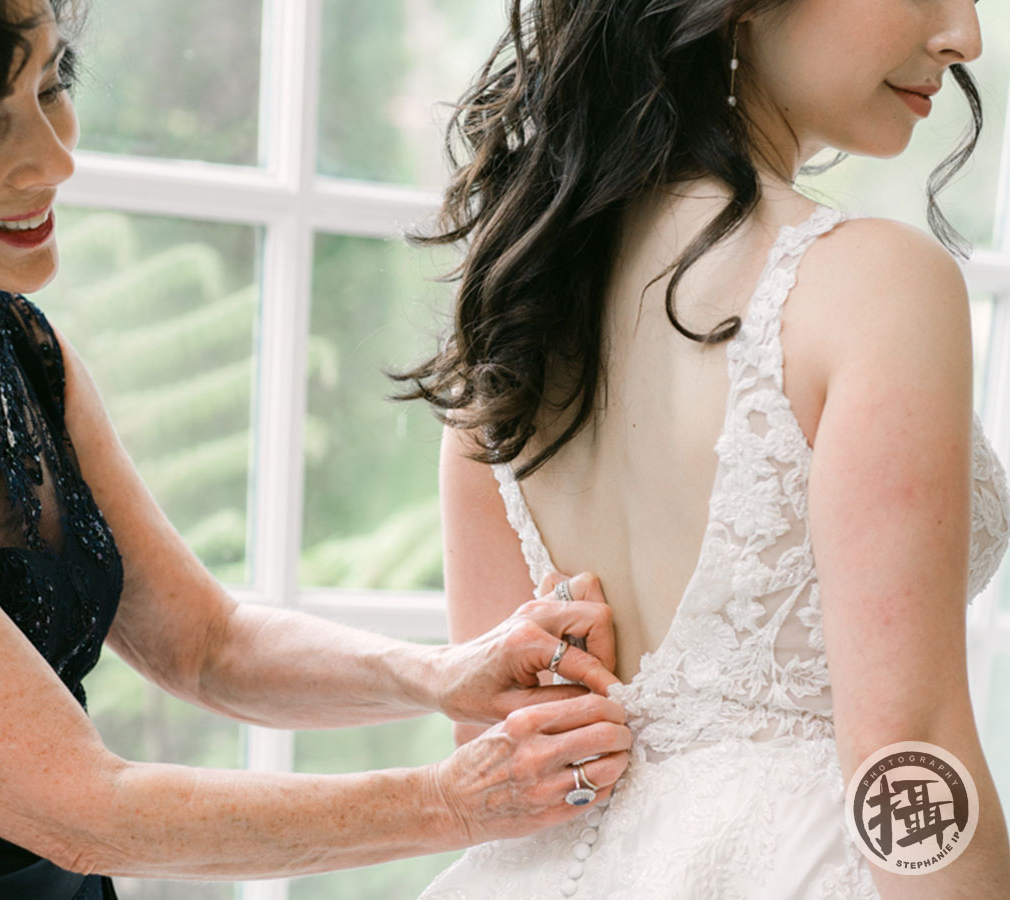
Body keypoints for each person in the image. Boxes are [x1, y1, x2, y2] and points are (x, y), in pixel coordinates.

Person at [0, 0, 639, 897]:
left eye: (50, 87)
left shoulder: (10, 341)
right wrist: (452, 801)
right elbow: (85, 811)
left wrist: (437, 675)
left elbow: (205, 644)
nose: (53, 158)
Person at [395, 0, 1010, 897]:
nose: (966, 37)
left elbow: (508, 745)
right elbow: (906, 751)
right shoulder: (878, 285)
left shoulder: (518, 305)